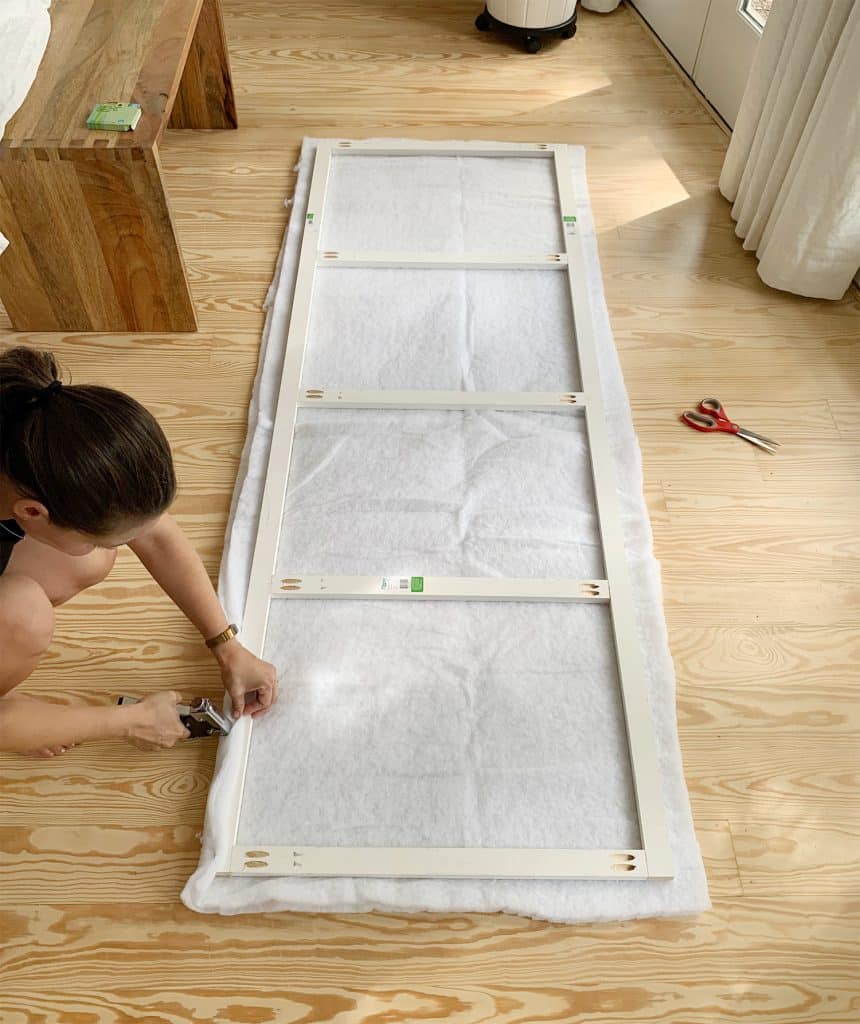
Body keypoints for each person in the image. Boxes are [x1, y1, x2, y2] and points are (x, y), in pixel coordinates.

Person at [0, 346, 277, 756]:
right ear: (31, 511)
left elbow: (154, 534)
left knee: (88, 558)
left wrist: (226, 646)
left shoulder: (28, 425)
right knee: (24, 615)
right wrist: (129, 721)